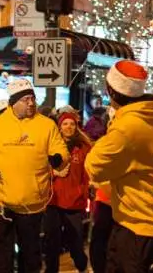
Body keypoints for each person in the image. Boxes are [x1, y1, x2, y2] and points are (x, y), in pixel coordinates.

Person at [85, 62, 153, 273]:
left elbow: (94, 166)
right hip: (145, 217)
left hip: (142, 221)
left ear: (111, 91)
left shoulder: (127, 128)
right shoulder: (150, 116)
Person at [0, 78, 66, 273]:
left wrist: (58, 158)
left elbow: (60, 148)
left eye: (33, 99)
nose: (31, 103)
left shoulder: (47, 125)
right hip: (0, 199)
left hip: (32, 200)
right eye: (25, 99)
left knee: (30, 253)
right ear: (13, 102)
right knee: (0, 254)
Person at [46, 109, 92, 273]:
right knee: (52, 242)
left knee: (76, 243)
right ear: (59, 127)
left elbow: (88, 174)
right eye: (65, 124)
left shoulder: (84, 148)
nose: (69, 127)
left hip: (75, 202)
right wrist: (53, 173)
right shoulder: (51, 147)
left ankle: (82, 267)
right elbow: (40, 169)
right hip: (53, 200)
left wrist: (85, 193)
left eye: (72, 124)